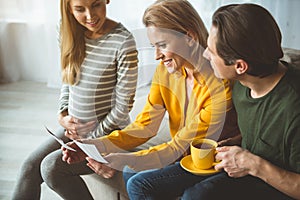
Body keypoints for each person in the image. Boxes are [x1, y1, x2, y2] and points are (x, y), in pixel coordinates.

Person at [62, 0, 239, 199]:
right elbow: (145, 125)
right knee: (131, 173)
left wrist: (123, 159)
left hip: (210, 162)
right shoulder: (166, 72)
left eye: (162, 45)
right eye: (153, 46)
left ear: (189, 36)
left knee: (138, 181)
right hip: (183, 156)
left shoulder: (219, 84)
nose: (156, 56)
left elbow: (180, 146)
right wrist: (95, 145)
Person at [11, 0, 138, 199]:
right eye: (80, 9)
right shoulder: (68, 31)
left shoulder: (122, 41)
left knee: (52, 167)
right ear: (69, 8)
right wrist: (63, 113)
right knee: (29, 166)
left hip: (111, 136)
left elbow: (124, 106)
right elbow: (69, 79)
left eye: (96, 4)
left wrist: (89, 141)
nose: (90, 16)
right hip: (76, 133)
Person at [180, 3, 300, 200]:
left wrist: (254, 164)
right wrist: (234, 144)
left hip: (280, 188)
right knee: (143, 183)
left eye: (212, 51)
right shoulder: (241, 85)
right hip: (249, 173)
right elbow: (267, 138)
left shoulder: (294, 108)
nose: (205, 54)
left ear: (240, 66)